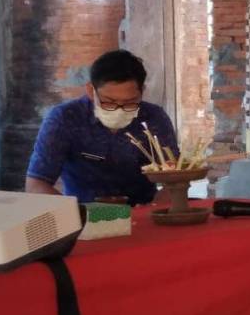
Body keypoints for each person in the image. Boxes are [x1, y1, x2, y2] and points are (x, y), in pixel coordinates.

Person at [26, 49, 177, 206]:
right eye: (109, 102)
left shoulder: (153, 118)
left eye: (130, 103)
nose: (119, 110)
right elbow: (36, 184)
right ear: (90, 90)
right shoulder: (65, 118)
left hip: (142, 210)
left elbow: (176, 178)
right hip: (84, 213)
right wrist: (76, 213)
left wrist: (153, 210)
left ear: (142, 92)